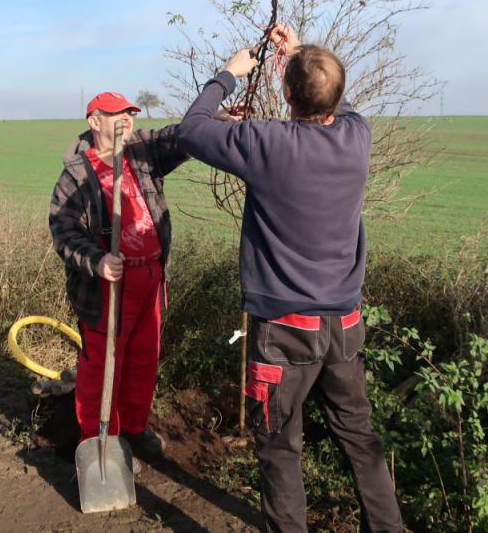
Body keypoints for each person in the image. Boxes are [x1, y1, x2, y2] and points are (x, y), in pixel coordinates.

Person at [177, 26, 404, 532]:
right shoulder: (358, 136)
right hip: (344, 325)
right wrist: (299, 54)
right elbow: (335, 100)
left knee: (280, 446)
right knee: (359, 437)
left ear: (285, 92)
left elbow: (191, 130)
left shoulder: (267, 143)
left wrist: (229, 75)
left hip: (284, 331)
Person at [49, 91, 189, 460]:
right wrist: (97, 261)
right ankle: (101, 442)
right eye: (116, 114)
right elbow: (64, 231)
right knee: (104, 366)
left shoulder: (141, 151)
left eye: (129, 113)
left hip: (151, 280)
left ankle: (134, 427)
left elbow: (179, 137)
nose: (126, 119)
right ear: (94, 121)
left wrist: (216, 121)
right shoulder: (77, 175)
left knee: (144, 359)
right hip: (108, 288)